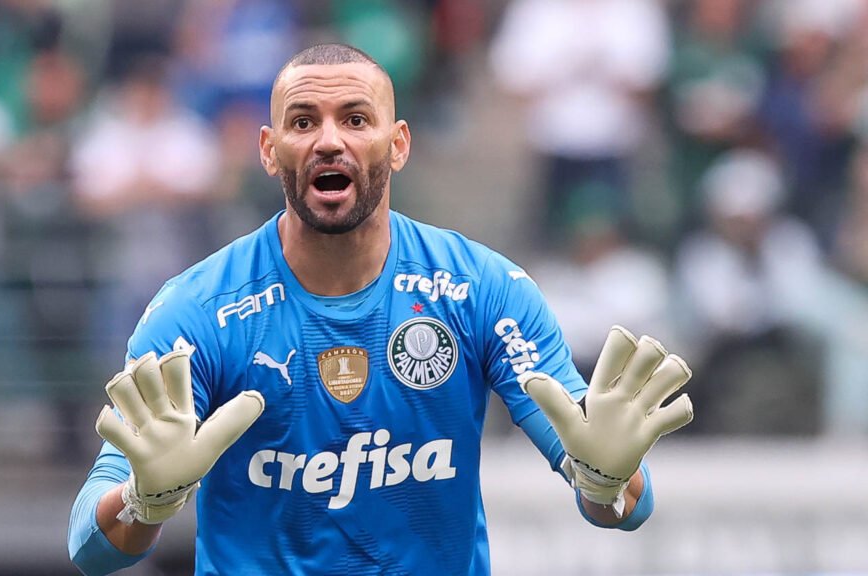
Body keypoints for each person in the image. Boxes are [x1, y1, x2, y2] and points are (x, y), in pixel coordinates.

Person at [68, 43, 694, 576]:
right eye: (303, 121)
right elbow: (88, 548)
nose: (330, 140)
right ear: (268, 149)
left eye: (356, 119)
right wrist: (142, 503)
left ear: (397, 145)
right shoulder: (197, 311)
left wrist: (608, 481)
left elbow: (618, 504)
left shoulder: (483, 289)